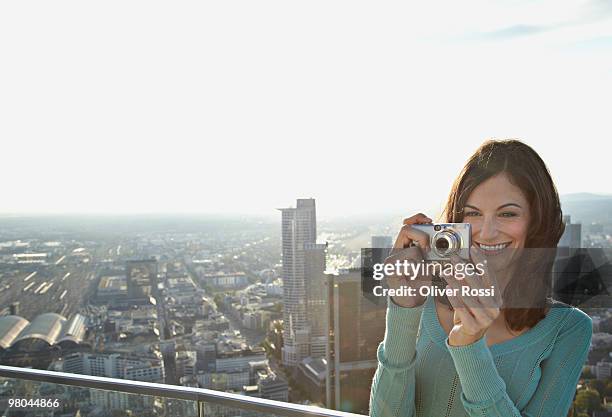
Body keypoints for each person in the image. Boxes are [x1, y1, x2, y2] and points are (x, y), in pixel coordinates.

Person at [369, 139, 592, 417]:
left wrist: (470, 347)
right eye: (473, 213)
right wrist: (403, 309)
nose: (486, 232)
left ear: (537, 221)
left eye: (507, 213)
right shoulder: (423, 301)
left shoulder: (568, 329)